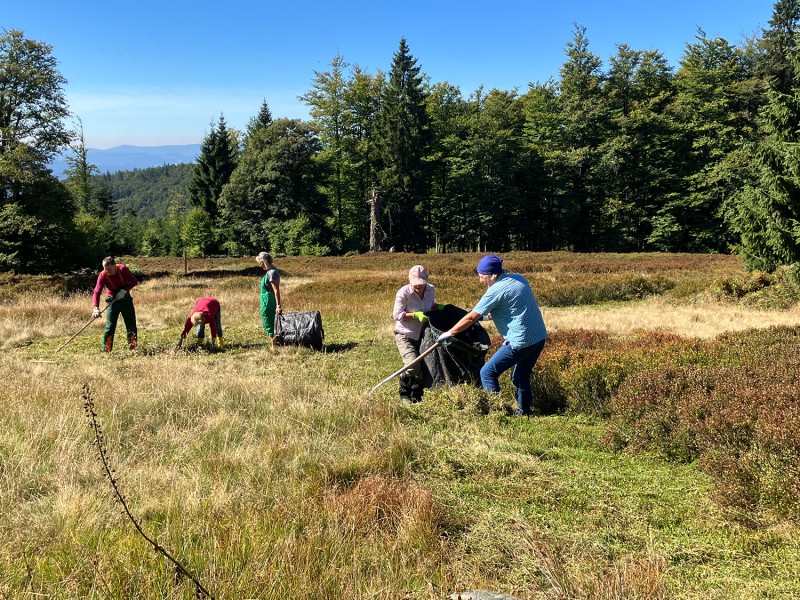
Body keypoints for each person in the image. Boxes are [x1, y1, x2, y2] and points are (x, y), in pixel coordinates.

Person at [437, 255, 547, 417]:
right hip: (538, 337)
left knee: (487, 373)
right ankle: (524, 412)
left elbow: (471, 317)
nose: (480, 280)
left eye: (482, 277)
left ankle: (496, 412)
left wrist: (450, 333)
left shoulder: (495, 290)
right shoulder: (518, 278)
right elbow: (509, 307)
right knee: (521, 376)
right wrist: (487, 316)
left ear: (492, 275)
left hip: (520, 341)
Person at [393, 264, 446, 404]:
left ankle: (416, 394)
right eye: (415, 284)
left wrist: (439, 307)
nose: (418, 287)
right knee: (412, 364)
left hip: (423, 333)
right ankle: (404, 393)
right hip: (405, 333)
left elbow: (430, 305)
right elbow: (396, 315)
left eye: (421, 284)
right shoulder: (403, 293)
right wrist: (414, 315)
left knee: (424, 365)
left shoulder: (431, 289)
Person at [92, 256, 139, 352]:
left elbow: (134, 281)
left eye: (110, 269)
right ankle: (106, 349)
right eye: (106, 269)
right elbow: (97, 291)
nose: (108, 271)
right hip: (112, 301)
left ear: (115, 266)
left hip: (126, 300)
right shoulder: (102, 275)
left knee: (131, 324)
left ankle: (133, 346)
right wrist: (96, 307)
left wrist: (124, 291)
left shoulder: (123, 269)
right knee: (110, 326)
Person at [256, 252, 282, 340]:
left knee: (269, 322)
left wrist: (278, 305)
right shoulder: (270, 272)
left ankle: (274, 346)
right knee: (269, 321)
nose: (260, 265)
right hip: (266, 300)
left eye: (260, 263)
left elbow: (276, 290)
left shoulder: (272, 273)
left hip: (269, 302)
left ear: (264, 262)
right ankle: (275, 343)